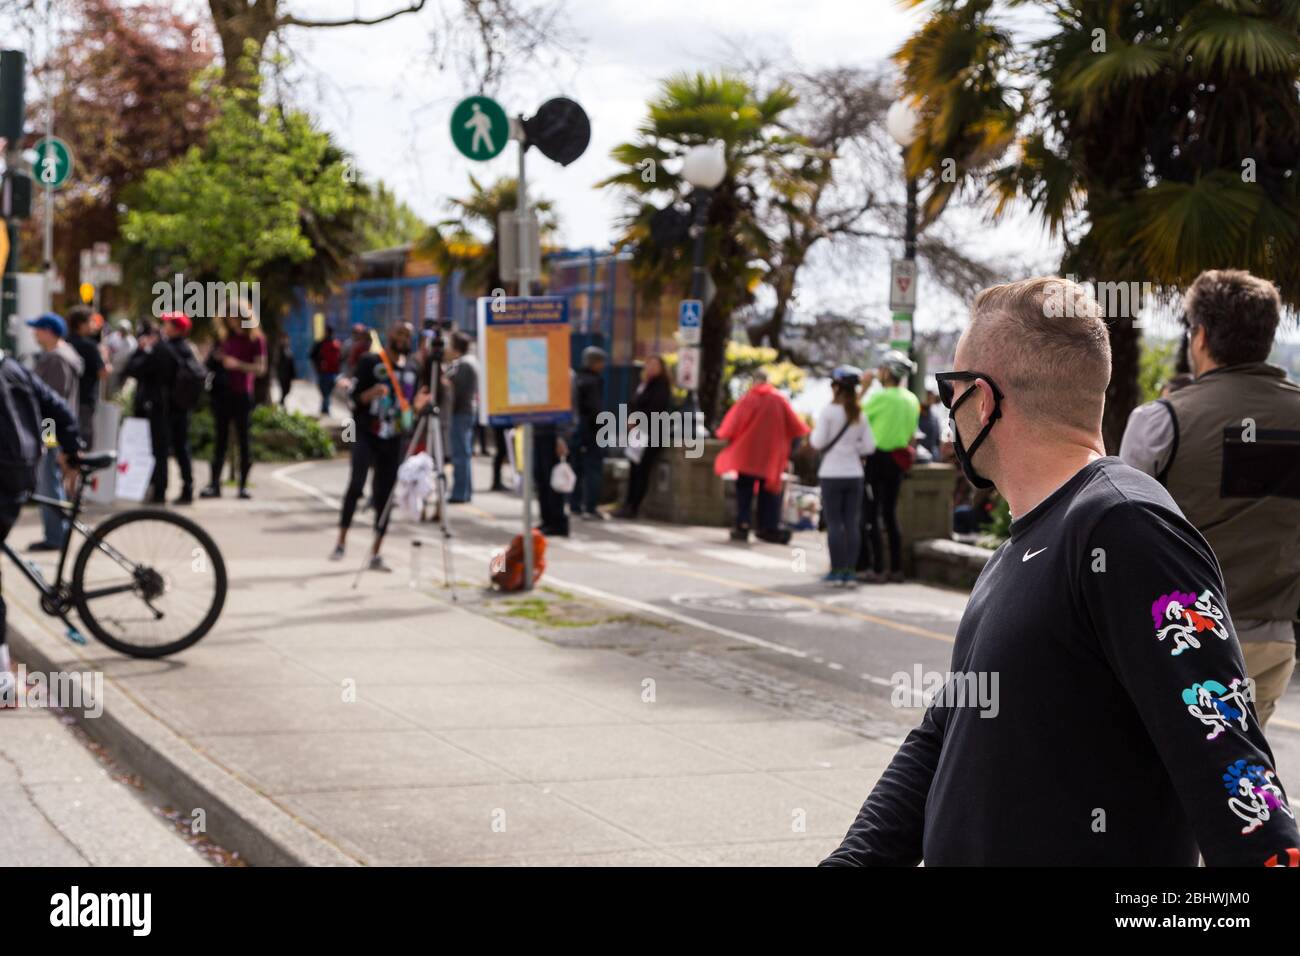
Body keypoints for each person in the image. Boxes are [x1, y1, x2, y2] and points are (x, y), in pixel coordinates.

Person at [823, 276, 1300, 866]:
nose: (947, 410)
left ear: (984, 399)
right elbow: (945, 731)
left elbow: (1230, 763)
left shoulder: (1127, 530)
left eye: (951, 390)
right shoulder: (1025, 542)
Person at [1120, 269, 1300, 729]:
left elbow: (1121, 532)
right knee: (1239, 770)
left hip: (1180, 637)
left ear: (1199, 336)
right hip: (1273, 634)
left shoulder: (1160, 421)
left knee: (1162, 777)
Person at [0, 350, 81, 705]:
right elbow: (58, 407)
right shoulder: (12, 366)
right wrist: (72, 449)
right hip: (21, 474)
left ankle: (3, 680)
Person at [331, 322, 428, 571]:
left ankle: (376, 552)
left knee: (384, 495)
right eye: (399, 333)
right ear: (389, 335)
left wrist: (418, 405)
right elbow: (352, 398)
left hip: (395, 437)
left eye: (407, 334)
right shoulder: (369, 361)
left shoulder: (413, 368)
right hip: (366, 432)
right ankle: (341, 541)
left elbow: (411, 405)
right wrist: (370, 393)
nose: (403, 338)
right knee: (356, 484)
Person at [714, 370, 810, 544]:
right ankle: (768, 526)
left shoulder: (748, 399)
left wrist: (722, 435)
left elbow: (731, 424)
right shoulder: (779, 400)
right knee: (770, 493)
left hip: (747, 455)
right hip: (771, 457)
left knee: (744, 491)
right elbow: (797, 427)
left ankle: (743, 524)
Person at [858, 350, 920, 582]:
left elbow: (853, 416)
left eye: (881, 368)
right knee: (890, 514)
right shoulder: (911, 399)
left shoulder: (880, 397)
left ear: (888, 372)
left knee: (872, 514)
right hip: (898, 461)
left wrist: (864, 388)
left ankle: (877, 568)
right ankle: (896, 568)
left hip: (876, 459)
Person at [811, 366, 875, 584]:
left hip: (831, 474)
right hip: (854, 474)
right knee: (852, 523)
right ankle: (850, 571)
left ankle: (837, 571)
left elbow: (817, 442)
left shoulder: (828, 412)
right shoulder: (860, 414)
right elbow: (869, 447)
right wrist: (853, 447)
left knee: (834, 523)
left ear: (837, 387)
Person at [26, 313, 83, 551]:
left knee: (48, 482)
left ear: (48, 331)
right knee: (51, 481)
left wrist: (49, 440)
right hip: (56, 428)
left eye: (37, 329)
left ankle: (55, 536)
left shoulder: (56, 359)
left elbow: (52, 403)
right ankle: (56, 534)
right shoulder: (63, 355)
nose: (34, 333)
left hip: (51, 429)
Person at [200, 312, 266, 500]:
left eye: (235, 317)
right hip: (222, 393)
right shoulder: (223, 339)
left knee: (244, 440)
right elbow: (209, 365)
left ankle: (243, 486)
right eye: (228, 317)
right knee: (220, 441)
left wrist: (238, 364)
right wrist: (214, 357)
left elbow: (260, 368)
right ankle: (214, 484)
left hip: (242, 394)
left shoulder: (256, 339)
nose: (232, 321)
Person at [125, 315, 179, 504]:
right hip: (158, 407)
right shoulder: (166, 349)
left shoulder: (158, 351)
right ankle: (154, 487)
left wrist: (142, 351)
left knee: (156, 450)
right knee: (154, 450)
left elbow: (133, 369)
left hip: (155, 407)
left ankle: (157, 490)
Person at [615, 355, 673, 519]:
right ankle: (627, 504)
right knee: (634, 468)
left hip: (652, 433)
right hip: (639, 433)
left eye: (655, 365)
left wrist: (636, 420)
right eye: (649, 364)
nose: (651, 368)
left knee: (642, 470)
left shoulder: (661, 386)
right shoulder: (644, 385)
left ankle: (634, 506)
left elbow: (655, 408)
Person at [570, 346, 607, 521]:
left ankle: (574, 505)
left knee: (576, 467)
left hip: (576, 429)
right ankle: (590, 506)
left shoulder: (577, 379)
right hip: (591, 430)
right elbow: (595, 409)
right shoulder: (594, 381)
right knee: (593, 469)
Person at [442, 332, 478, 503]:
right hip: (465, 413)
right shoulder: (468, 362)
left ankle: (459, 492)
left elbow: (459, 392)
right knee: (464, 453)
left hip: (461, 414)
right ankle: (465, 491)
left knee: (460, 454)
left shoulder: (464, 365)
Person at [66, 306, 106, 450]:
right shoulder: (90, 346)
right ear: (82, 324)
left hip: (67, 399)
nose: (94, 326)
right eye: (91, 322)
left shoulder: (65, 342)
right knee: (84, 440)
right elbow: (103, 372)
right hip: (85, 400)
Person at [309, 326, 342, 415]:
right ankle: (325, 408)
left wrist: (317, 367)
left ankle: (325, 409)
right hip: (332, 373)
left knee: (325, 392)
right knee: (327, 392)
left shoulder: (321, 343)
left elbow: (311, 355)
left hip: (324, 372)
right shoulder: (336, 344)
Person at [103, 319, 136, 397]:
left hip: (125, 370)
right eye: (121, 329)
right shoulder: (112, 337)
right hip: (112, 369)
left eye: (125, 330)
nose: (123, 331)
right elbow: (105, 348)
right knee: (111, 391)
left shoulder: (132, 342)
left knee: (122, 393)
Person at [275, 332, 296, 408]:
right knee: (284, 390)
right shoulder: (279, 350)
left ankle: (281, 402)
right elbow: (277, 362)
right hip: (282, 374)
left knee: (287, 390)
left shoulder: (288, 349)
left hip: (288, 374)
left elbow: (291, 363)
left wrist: (293, 374)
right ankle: (281, 403)